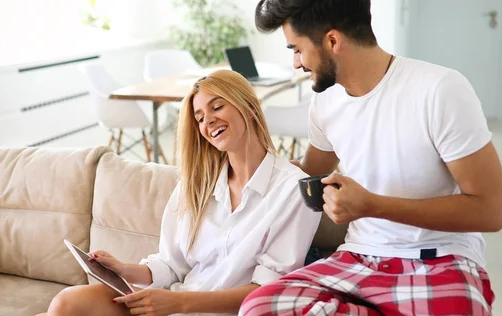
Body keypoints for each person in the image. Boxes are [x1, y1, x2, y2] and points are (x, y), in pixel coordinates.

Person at [240, 1, 502, 315]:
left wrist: (372, 205)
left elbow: (491, 211)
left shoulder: (440, 90)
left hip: (439, 260)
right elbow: (308, 171)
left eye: (297, 49)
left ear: (332, 41)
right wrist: (240, 156)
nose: (296, 63)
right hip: (358, 258)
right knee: (258, 308)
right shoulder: (326, 103)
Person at [38, 70, 320, 316]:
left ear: (248, 107)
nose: (207, 122)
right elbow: (171, 263)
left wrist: (177, 303)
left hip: (208, 309)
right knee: (66, 304)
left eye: (217, 107)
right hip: (171, 303)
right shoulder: (197, 184)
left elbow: (265, 291)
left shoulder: (293, 190)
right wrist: (124, 269)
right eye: (199, 118)